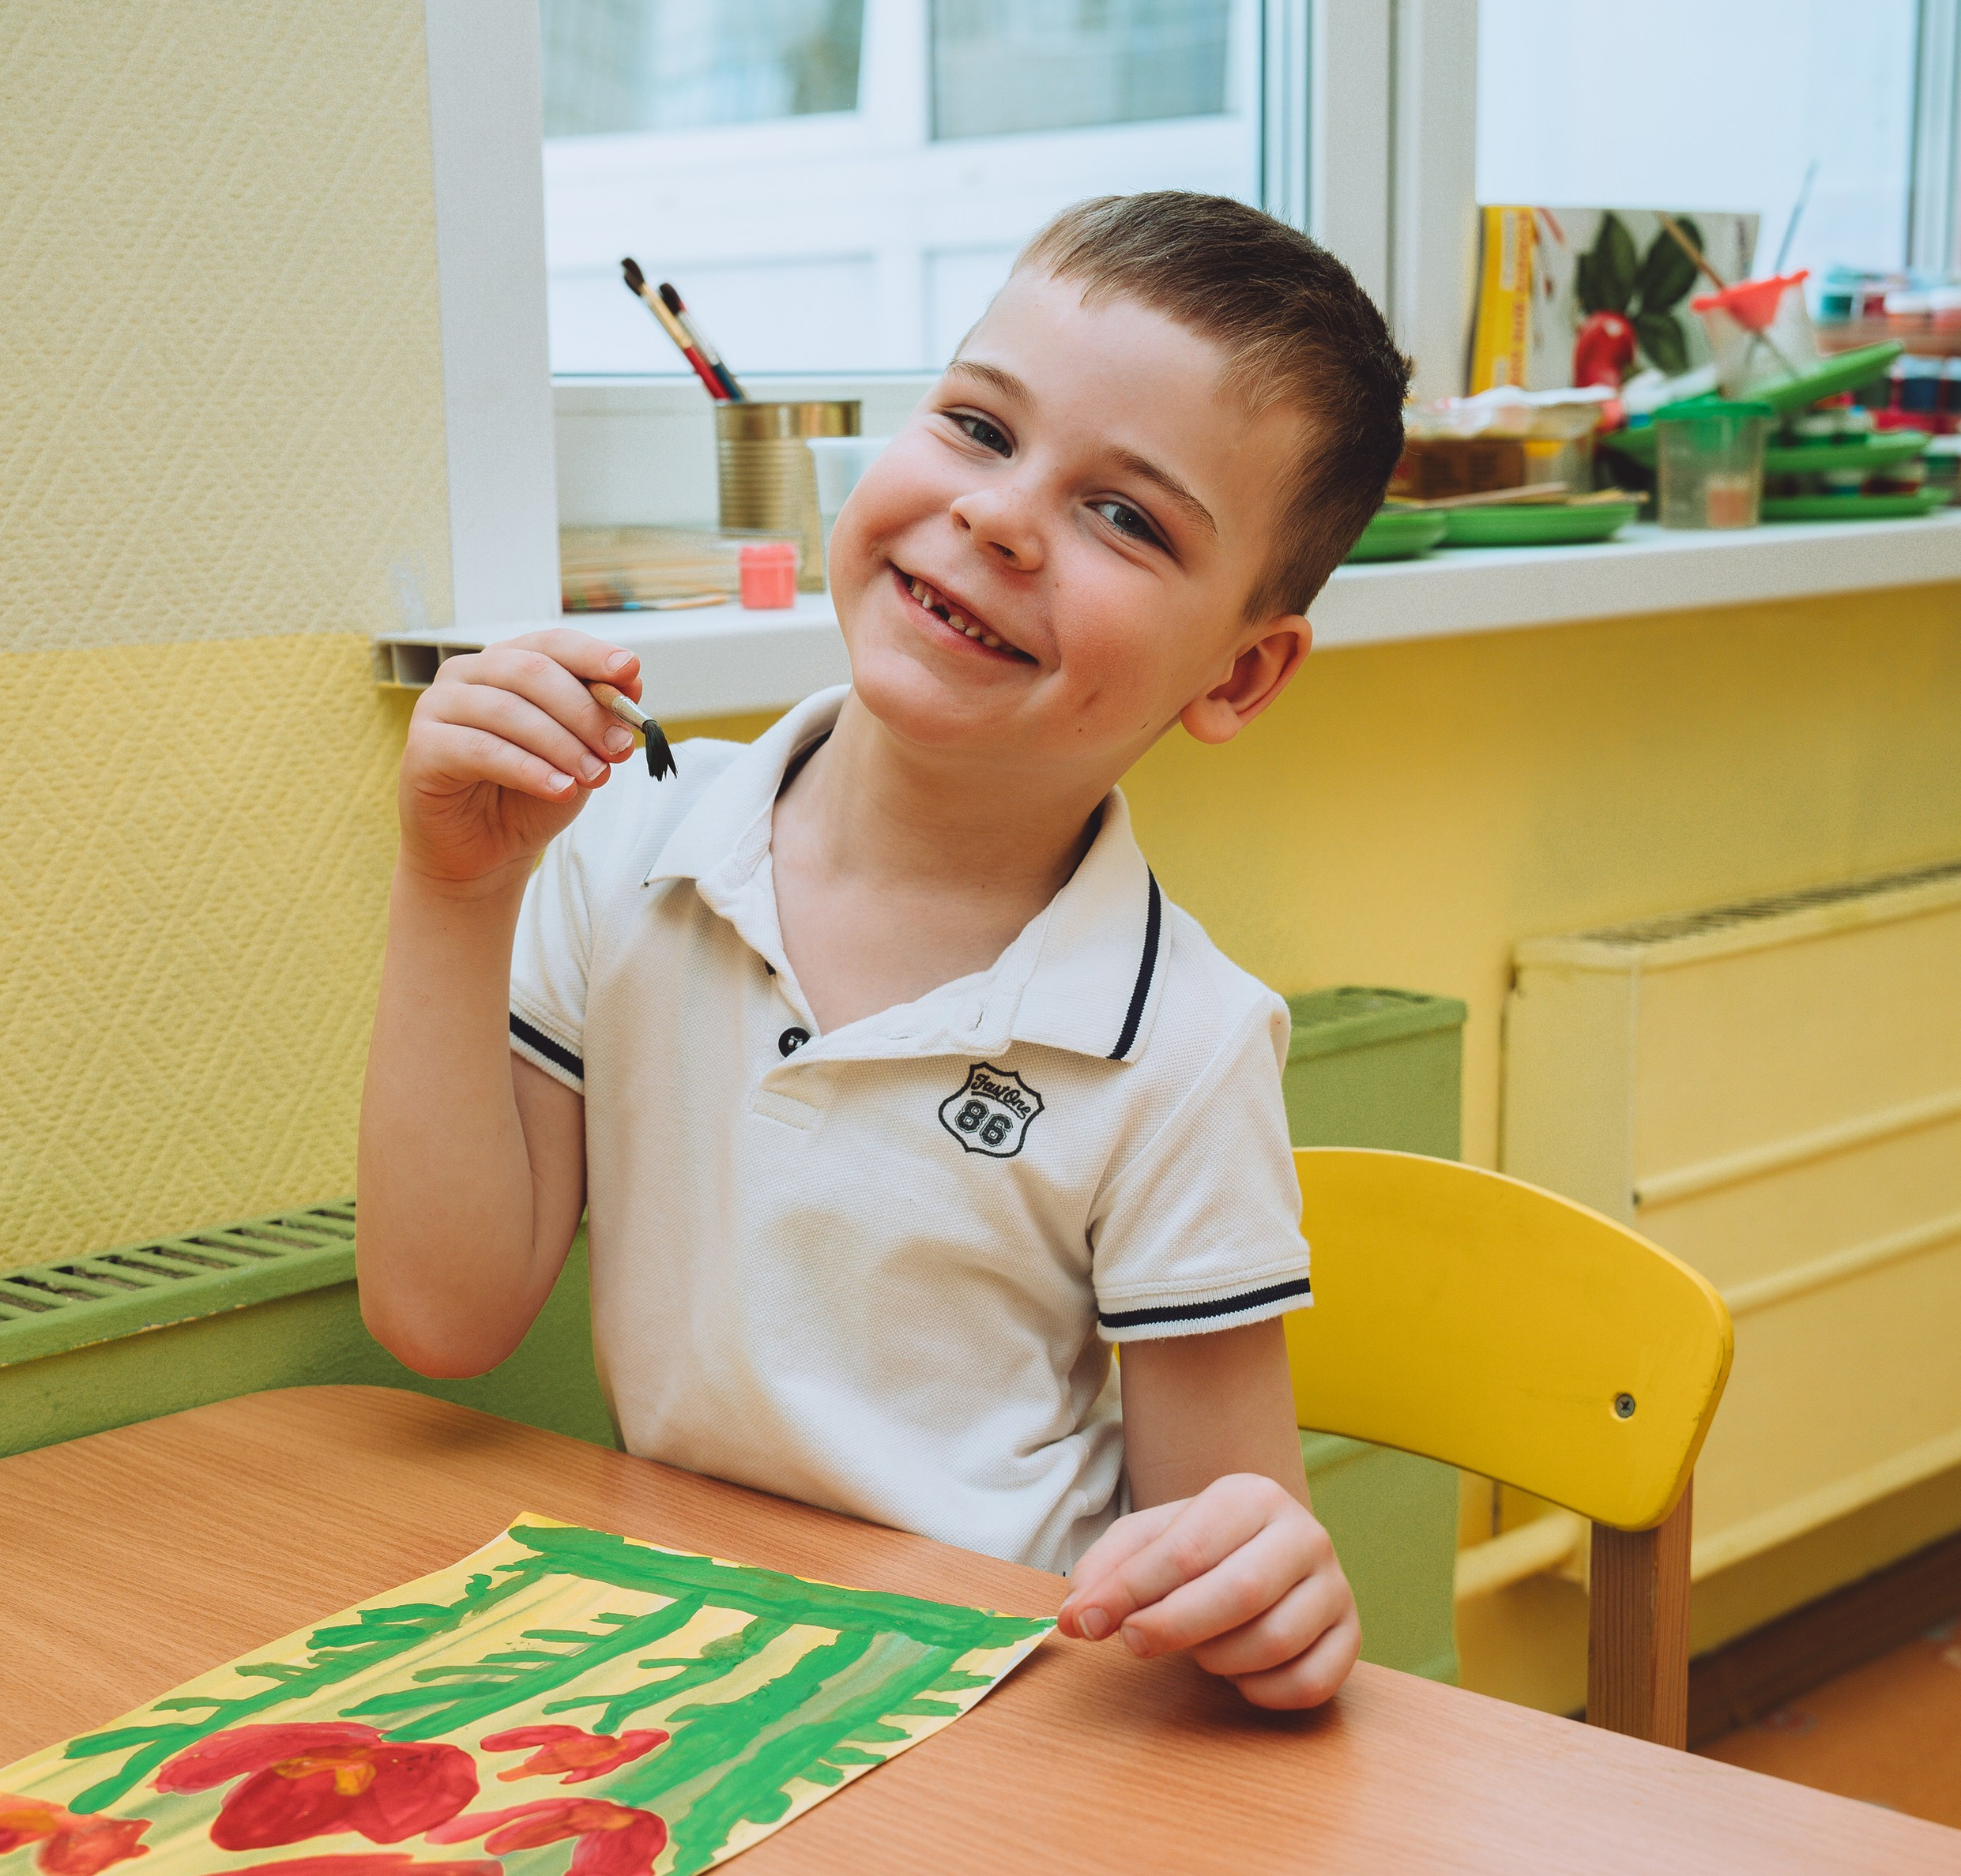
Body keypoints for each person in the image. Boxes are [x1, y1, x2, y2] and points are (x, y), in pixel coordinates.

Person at [358, 192, 1409, 1710]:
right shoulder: (628, 836)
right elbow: (441, 1316)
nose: (997, 515)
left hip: (989, 1717)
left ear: (1241, 672)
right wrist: (454, 894)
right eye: (980, 427)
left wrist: (1268, 1595)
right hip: (669, 1664)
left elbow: (1221, 1544)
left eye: (1128, 516)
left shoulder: (1181, 1044)